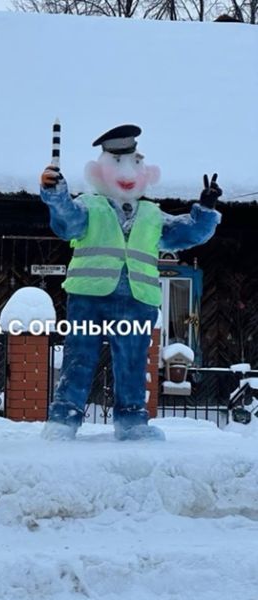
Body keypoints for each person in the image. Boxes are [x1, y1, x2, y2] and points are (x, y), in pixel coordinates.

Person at [40, 124, 222, 441]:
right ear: (100, 171)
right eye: (118, 165)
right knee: (79, 358)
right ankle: (63, 420)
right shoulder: (89, 206)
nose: (127, 174)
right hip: (89, 298)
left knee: (133, 362)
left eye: (135, 164)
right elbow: (66, 221)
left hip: (138, 302)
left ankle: (132, 422)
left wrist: (206, 210)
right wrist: (56, 193)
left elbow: (188, 232)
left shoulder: (153, 214)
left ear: (145, 171)